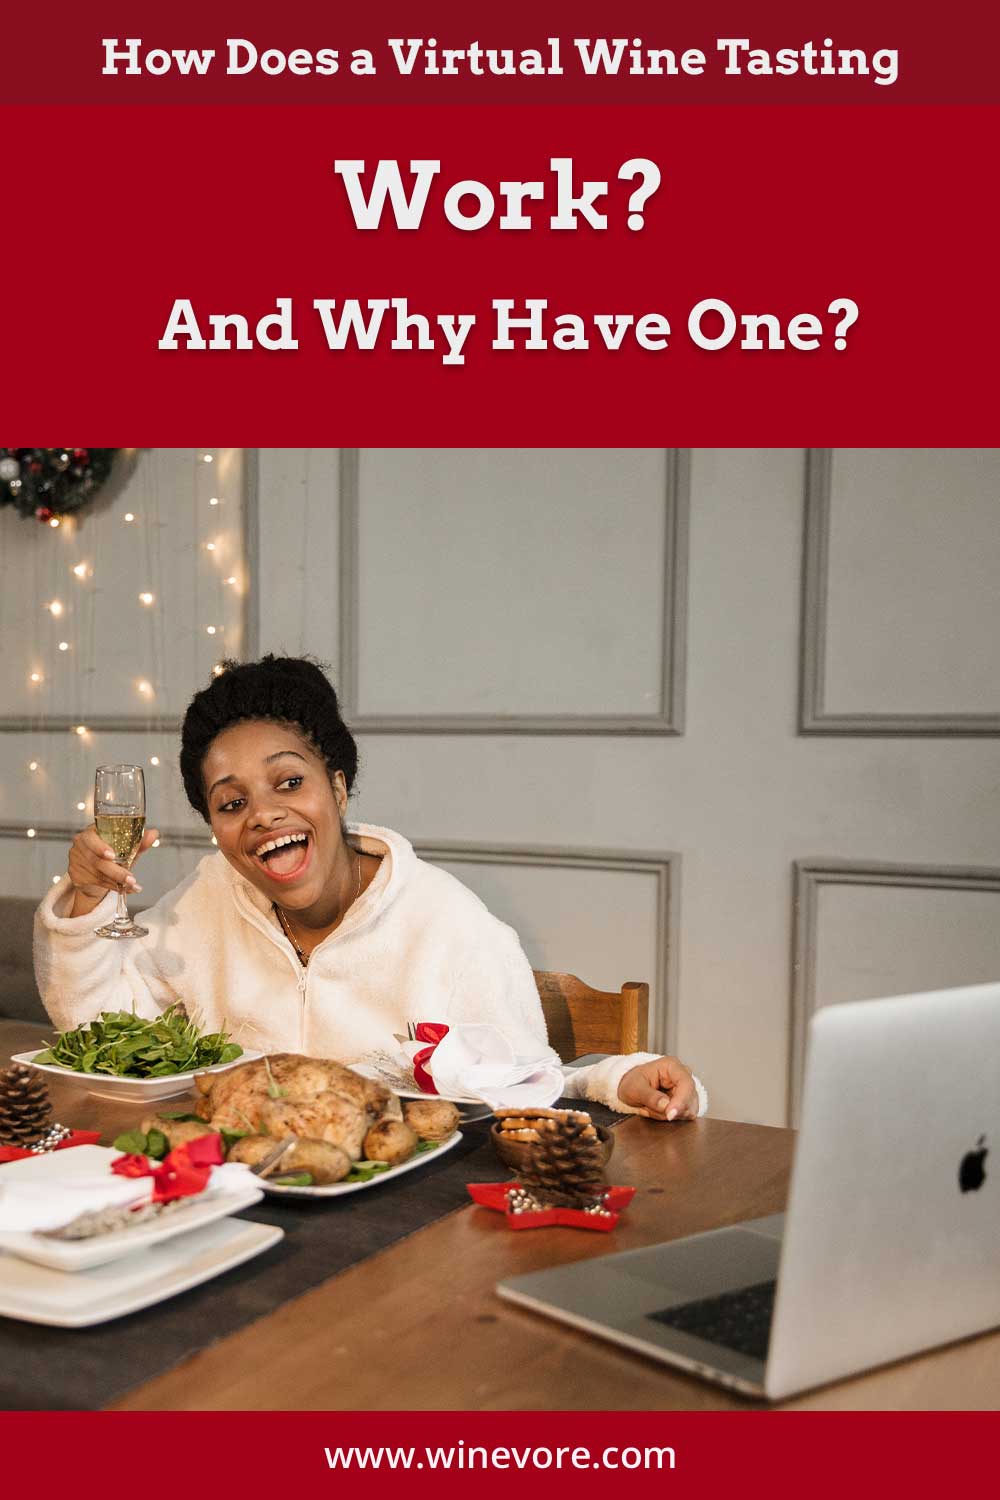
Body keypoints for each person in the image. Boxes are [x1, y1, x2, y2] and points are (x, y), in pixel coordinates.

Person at [34, 656, 707, 1120]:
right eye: (231, 803)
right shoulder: (208, 897)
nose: (263, 814)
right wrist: (89, 901)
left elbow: (520, 1086)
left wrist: (611, 1078)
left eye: (289, 782)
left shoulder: (449, 925)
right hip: (235, 1197)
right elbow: (99, 1032)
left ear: (338, 783)